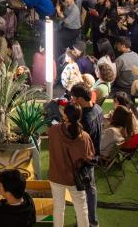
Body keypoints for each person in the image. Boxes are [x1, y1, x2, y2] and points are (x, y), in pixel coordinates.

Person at [47, 103, 94, 227]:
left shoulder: (54, 130)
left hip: (56, 176)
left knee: (58, 208)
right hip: (75, 179)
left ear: (65, 115)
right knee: (81, 208)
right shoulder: (84, 137)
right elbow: (89, 157)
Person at [70, 84, 102, 227]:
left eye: (73, 98)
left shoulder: (85, 120)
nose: (72, 100)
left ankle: (87, 223)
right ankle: (91, 221)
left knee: (84, 194)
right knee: (90, 190)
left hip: (84, 160)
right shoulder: (98, 108)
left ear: (80, 99)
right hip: (93, 156)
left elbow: (78, 144)